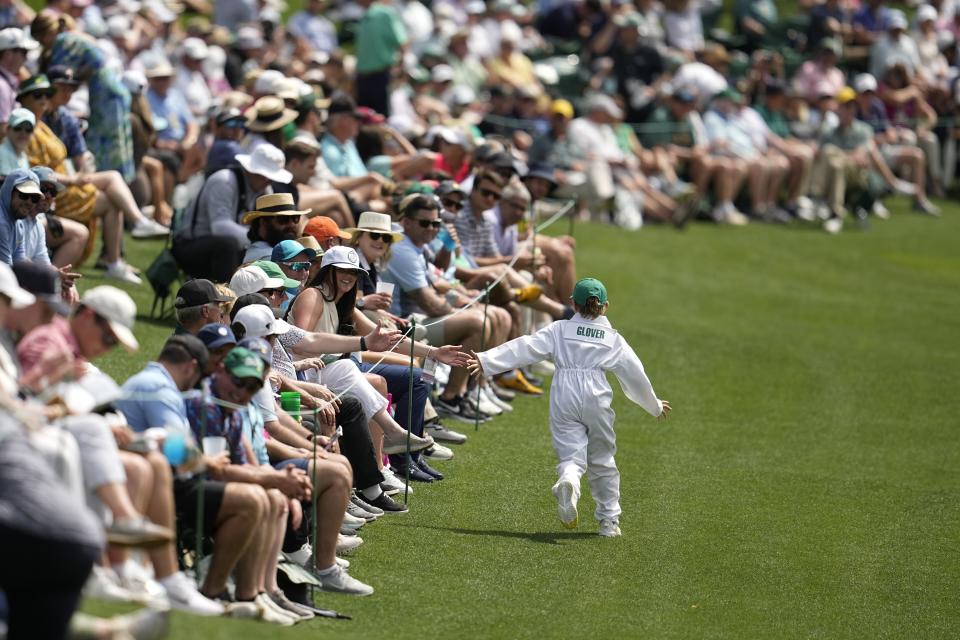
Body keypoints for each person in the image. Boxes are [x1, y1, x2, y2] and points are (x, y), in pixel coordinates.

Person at [466, 278, 671, 538]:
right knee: (603, 457)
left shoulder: (559, 329)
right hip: (596, 393)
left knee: (571, 454)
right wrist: (653, 404)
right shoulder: (613, 338)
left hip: (564, 391)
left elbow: (526, 346)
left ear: (572, 303)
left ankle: (570, 480)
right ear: (605, 307)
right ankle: (609, 521)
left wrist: (487, 361)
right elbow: (634, 373)